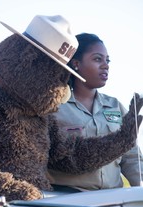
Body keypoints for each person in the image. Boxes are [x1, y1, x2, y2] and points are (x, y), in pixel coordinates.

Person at [48, 32, 143, 191]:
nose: (105, 65)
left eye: (107, 60)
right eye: (97, 59)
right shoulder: (53, 107)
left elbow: (132, 157)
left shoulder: (115, 105)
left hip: (115, 202)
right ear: (76, 63)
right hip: (67, 201)